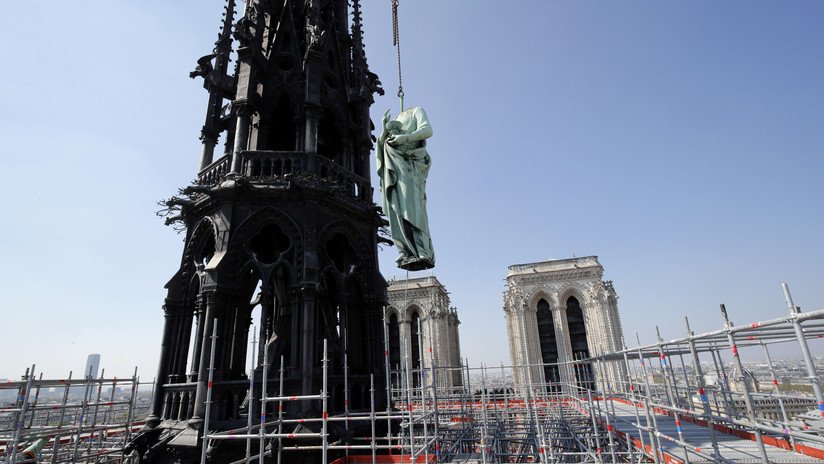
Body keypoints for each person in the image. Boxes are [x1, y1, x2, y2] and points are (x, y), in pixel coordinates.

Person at [376, 107, 435, 271]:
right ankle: (405, 251)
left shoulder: (416, 110)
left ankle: (422, 249)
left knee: (412, 207)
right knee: (396, 210)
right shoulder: (392, 122)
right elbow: (381, 147)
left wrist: (405, 138)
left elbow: (427, 130)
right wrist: (383, 131)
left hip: (410, 165)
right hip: (394, 168)